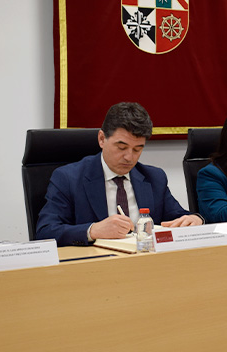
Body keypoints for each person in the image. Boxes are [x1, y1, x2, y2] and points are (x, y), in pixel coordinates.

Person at [36, 102, 202, 247]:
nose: (129, 157)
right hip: (95, 267)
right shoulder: (69, 178)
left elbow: (179, 217)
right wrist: (92, 230)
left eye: (138, 149)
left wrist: (195, 219)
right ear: (102, 139)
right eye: (121, 148)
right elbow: (46, 231)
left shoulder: (154, 177)